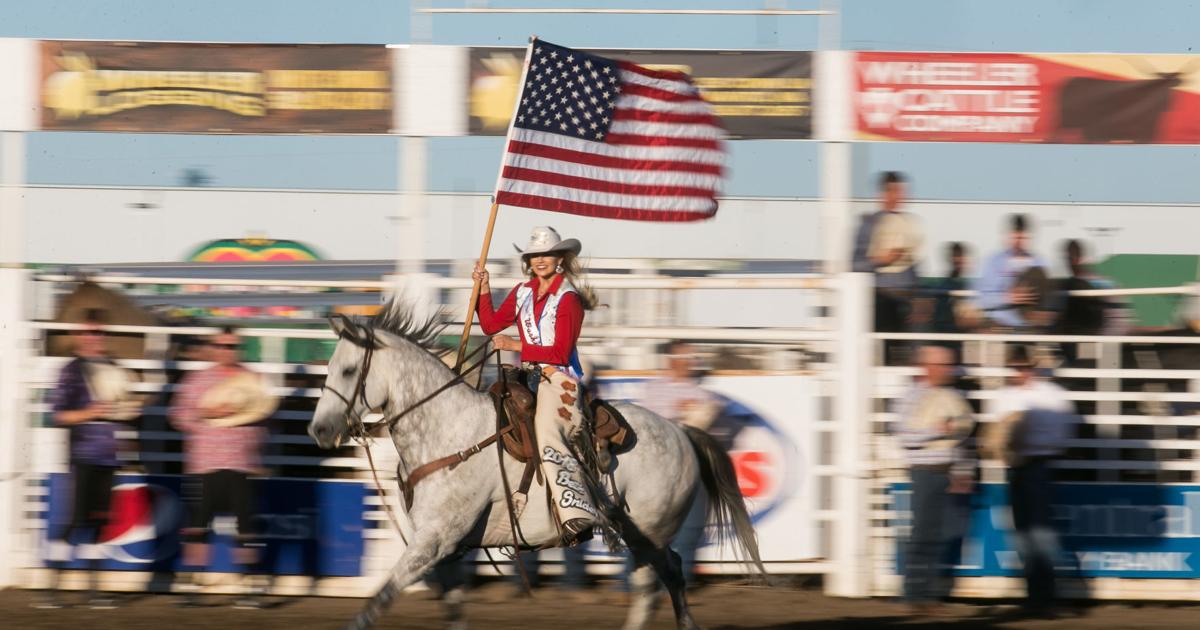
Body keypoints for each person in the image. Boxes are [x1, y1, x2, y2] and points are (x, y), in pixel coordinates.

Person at [473, 226, 600, 547]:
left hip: (561, 379)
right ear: (528, 260)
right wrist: (483, 289)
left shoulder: (569, 298)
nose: (540, 260)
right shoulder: (523, 291)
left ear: (560, 258)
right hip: (528, 375)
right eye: (534, 255)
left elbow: (559, 351)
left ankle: (576, 512)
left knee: (546, 431)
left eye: (546, 254)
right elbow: (490, 324)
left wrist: (515, 345)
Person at [170, 327, 278, 607]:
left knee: (246, 526)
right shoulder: (197, 380)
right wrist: (205, 413)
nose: (227, 351)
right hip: (206, 462)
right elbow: (177, 415)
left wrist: (257, 447)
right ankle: (192, 583)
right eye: (222, 346)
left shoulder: (253, 380)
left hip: (241, 463)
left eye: (232, 346)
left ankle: (250, 587)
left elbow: (266, 416)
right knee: (198, 525)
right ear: (213, 347)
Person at [41, 309, 142, 609]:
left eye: (98, 332)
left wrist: (128, 412)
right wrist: (90, 412)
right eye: (88, 331)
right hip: (83, 453)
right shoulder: (71, 370)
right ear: (77, 335)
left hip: (109, 456)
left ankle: (93, 589)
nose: (93, 337)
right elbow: (57, 414)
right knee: (75, 520)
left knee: (101, 521)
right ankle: (51, 587)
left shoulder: (114, 367)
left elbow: (127, 407)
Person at [989, 345, 1077, 617]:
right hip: (1019, 466)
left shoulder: (1051, 395)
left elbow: (1063, 436)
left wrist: (1023, 437)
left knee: (1038, 533)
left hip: (1038, 464)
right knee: (1025, 533)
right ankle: (1036, 597)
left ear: (1033, 367)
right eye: (1015, 366)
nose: (1019, 371)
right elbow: (993, 437)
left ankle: (1045, 597)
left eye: (1023, 366)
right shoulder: (1007, 396)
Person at [893, 345, 975, 615]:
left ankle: (926, 595)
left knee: (939, 534)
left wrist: (962, 470)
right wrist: (936, 430)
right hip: (926, 471)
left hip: (945, 471)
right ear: (927, 367)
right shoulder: (911, 397)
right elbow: (905, 436)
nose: (947, 370)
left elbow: (961, 437)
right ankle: (913, 595)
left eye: (948, 365)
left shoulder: (951, 395)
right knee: (923, 534)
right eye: (942, 365)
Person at [640, 340, 722, 587]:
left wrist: (697, 412)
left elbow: (710, 414)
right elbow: (648, 423)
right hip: (660, 469)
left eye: (692, 359)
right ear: (672, 361)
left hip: (690, 466)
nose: (691, 363)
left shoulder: (699, 392)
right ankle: (635, 582)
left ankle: (677, 582)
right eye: (687, 358)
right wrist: (681, 411)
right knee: (646, 526)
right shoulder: (655, 389)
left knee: (690, 527)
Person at [851, 171, 923, 333]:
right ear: (883, 193)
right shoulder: (870, 224)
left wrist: (918, 297)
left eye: (902, 192)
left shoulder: (910, 223)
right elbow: (854, 265)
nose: (899, 197)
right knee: (881, 354)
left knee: (903, 353)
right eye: (895, 191)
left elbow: (915, 264)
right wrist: (880, 260)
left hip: (906, 304)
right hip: (880, 302)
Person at [974, 214, 1051, 330]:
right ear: (1007, 236)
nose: (1018, 242)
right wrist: (1007, 298)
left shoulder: (1039, 262)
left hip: (1031, 329)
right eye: (1015, 237)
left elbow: (1048, 298)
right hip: (999, 328)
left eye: (1022, 238)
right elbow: (980, 300)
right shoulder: (993, 262)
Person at [1054, 239, 1131, 338]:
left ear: (1080, 258)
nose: (1070, 263)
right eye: (1067, 259)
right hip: (1078, 341)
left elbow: (1120, 320)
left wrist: (1100, 341)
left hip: (1102, 341)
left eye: (1071, 258)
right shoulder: (1066, 285)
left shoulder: (1102, 284)